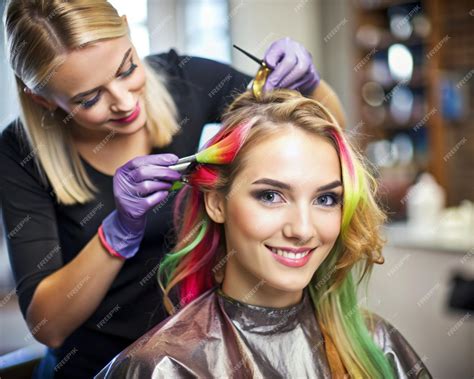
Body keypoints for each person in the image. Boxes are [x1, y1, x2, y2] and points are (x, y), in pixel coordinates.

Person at [0, 0, 346, 377]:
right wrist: (116, 235)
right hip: (90, 367)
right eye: (89, 98)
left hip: (196, 360)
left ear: (129, 32)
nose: (124, 101)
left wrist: (311, 84)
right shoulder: (19, 154)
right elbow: (48, 327)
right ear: (42, 99)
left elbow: (329, 146)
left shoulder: (188, 80)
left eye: (127, 68)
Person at [96, 89, 433, 379]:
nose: (302, 229)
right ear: (216, 203)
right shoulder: (162, 367)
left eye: (326, 199)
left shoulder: (376, 346)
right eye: (271, 196)